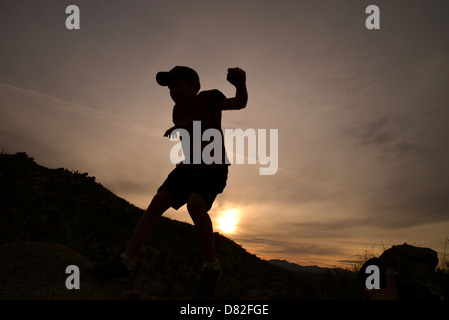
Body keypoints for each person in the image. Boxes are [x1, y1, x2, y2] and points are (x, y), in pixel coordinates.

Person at [91, 66, 248, 299]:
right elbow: (188, 127)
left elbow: (239, 103)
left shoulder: (210, 97)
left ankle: (210, 266)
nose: (172, 90)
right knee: (157, 203)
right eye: (169, 87)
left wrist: (240, 84)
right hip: (187, 169)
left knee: (195, 204)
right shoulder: (177, 110)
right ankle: (125, 261)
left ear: (194, 85)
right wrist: (180, 126)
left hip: (213, 168)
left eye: (176, 84)